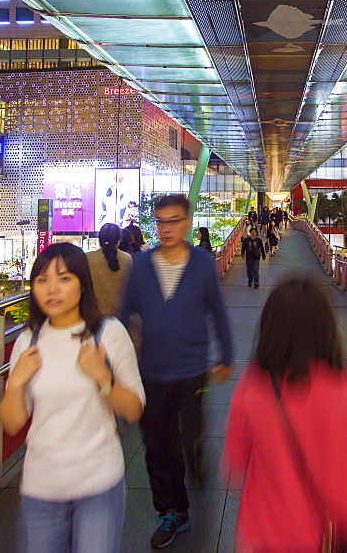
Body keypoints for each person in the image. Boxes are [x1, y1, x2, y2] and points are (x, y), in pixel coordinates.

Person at [0, 243, 145, 553]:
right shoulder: (29, 339)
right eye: (42, 280)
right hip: (41, 487)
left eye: (64, 278)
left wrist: (103, 378)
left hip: (98, 484)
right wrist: (15, 385)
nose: (52, 288)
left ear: (82, 283)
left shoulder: (109, 334)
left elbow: (133, 411)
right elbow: (12, 423)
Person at [223, 278, 347, 551]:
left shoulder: (253, 386)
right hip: (329, 533)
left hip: (267, 532)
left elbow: (234, 464)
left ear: (270, 328)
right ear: (326, 327)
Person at [119, 194, 233, 549]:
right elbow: (124, 316)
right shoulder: (140, 265)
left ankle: (194, 450)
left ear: (186, 222)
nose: (166, 228)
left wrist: (225, 354)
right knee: (157, 446)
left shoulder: (201, 263)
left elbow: (216, 309)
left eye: (173, 221)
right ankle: (172, 510)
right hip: (150, 371)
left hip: (192, 368)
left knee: (188, 433)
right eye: (160, 221)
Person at [87, 223, 132, 317]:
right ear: (119, 240)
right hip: (120, 318)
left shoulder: (87, 258)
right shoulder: (127, 259)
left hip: (93, 318)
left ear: (99, 238)